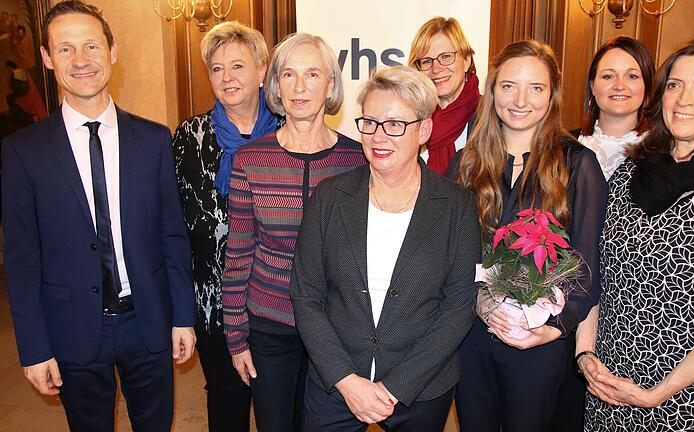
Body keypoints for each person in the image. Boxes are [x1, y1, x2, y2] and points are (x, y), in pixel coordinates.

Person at [1, 1, 196, 431]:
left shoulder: (152, 139)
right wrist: (33, 348)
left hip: (148, 321)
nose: (81, 60)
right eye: (65, 49)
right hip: (70, 327)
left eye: (91, 45)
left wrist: (183, 315)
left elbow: (172, 236)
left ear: (112, 52)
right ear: (48, 59)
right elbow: (21, 258)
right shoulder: (23, 152)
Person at [580, 37, 694, 432]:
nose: (684, 100)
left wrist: (656, 393)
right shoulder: (629, 173)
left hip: (681, 400)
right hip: (606, 386)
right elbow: (594, 271)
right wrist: (585, 356)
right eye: (674, 85)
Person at [290, 65, 481, 431]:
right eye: (370, 122)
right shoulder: (329, 197)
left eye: (395, 124)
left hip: (420, 388)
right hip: (335, 382)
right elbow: (306, 295)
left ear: (424, 129)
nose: (379, 137)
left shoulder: (456, 206)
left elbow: (458, 307)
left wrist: (396, 387)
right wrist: (346, 380)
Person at [448, 40, 607, 432]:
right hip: (472, 336)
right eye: (508, 86)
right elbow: (447, 257)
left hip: (542, 341)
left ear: (552, 95)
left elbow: (588, 266)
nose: (520, 99)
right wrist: (480, 304)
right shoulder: (464, 164)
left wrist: (553, 328)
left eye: (535, 87)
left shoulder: (578, 165)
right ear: (492, 90)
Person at [222, 32, 367, 432]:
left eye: (312, 74)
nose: (299, 87)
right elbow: (238, 254)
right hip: (269, 326)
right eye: (288, 75)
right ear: (275, 85)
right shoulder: (251, 159)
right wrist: (236, 337)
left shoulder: (357, 159)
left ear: (331, 85)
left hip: (338, 330)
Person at [172, 21, 278, 432]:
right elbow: (175, 228)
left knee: (281, 406)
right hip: (214, 300)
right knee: (227, 400)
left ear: (262, 71)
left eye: (237, 65)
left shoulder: (289, 131)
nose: (227, 77)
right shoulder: (189, 137)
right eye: (216, 69)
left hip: (279, 302)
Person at [407, 16, 480, 175]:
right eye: (426, 61)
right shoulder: (409, 120)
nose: (436, 68)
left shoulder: (490, 118)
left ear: (466, 61)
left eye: (446, 56)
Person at [575, 36, 654, 180]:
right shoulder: (564, 147)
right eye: (608, 76)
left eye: (632, 76)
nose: (619, 86)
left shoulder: (663, 151)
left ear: (647, 86)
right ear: (593, 86)